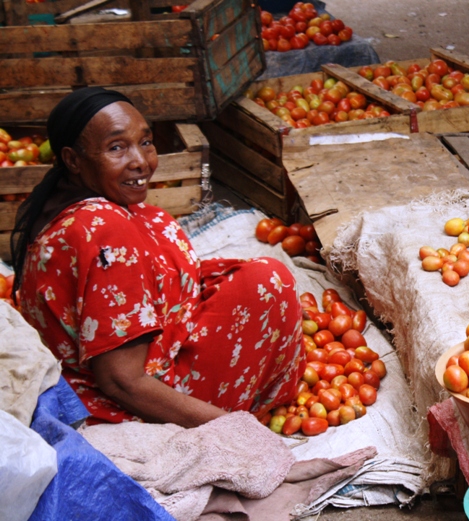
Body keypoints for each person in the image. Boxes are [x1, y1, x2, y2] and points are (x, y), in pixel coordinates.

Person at [11, 87, 305, 427]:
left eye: (146, 142)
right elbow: (122, 381)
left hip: (100, 378)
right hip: (130, 407)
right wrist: (236, 431)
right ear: (73, 160)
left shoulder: (68, 207)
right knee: (268, 282)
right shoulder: (102, 230)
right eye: (117, 147)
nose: (141, 161)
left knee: (253, 279)